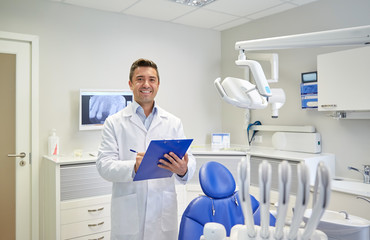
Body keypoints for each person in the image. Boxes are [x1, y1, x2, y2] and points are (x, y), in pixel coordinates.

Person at [96, 58, 196, 240]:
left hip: (162, 212)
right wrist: (133, 167)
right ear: (130, 84)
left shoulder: (173, 122)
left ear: (158, 84)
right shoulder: (115, 122)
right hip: (128, 214)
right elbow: (104, 165)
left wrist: (183, 170)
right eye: (140, 79)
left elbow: (189, 159)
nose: (146, 84)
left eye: (152, 79)